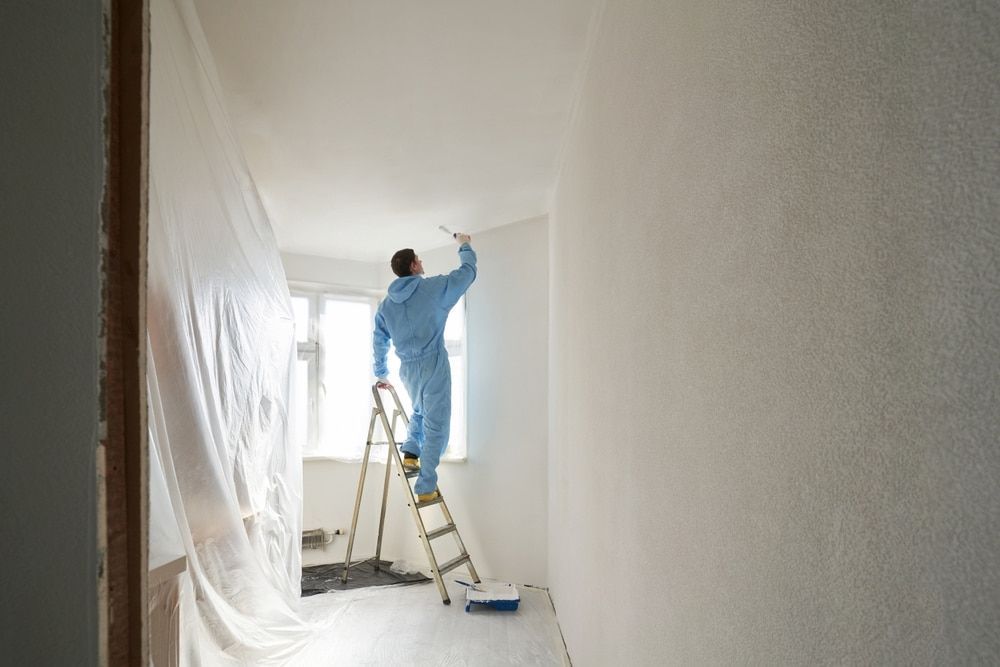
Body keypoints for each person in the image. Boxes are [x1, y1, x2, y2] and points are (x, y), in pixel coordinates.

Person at [372, 233, 476, 502]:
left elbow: (379, 339)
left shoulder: (385, 305)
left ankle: (411, 453)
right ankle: (426, 486)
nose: (421, 262)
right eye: (418, 259)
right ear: (413, 267)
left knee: (419, 410)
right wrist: (464, 246)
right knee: (436, 424)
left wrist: (381, 372)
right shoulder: (431, 289)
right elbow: (466, 274)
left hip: (407, 370)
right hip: (432, 363)